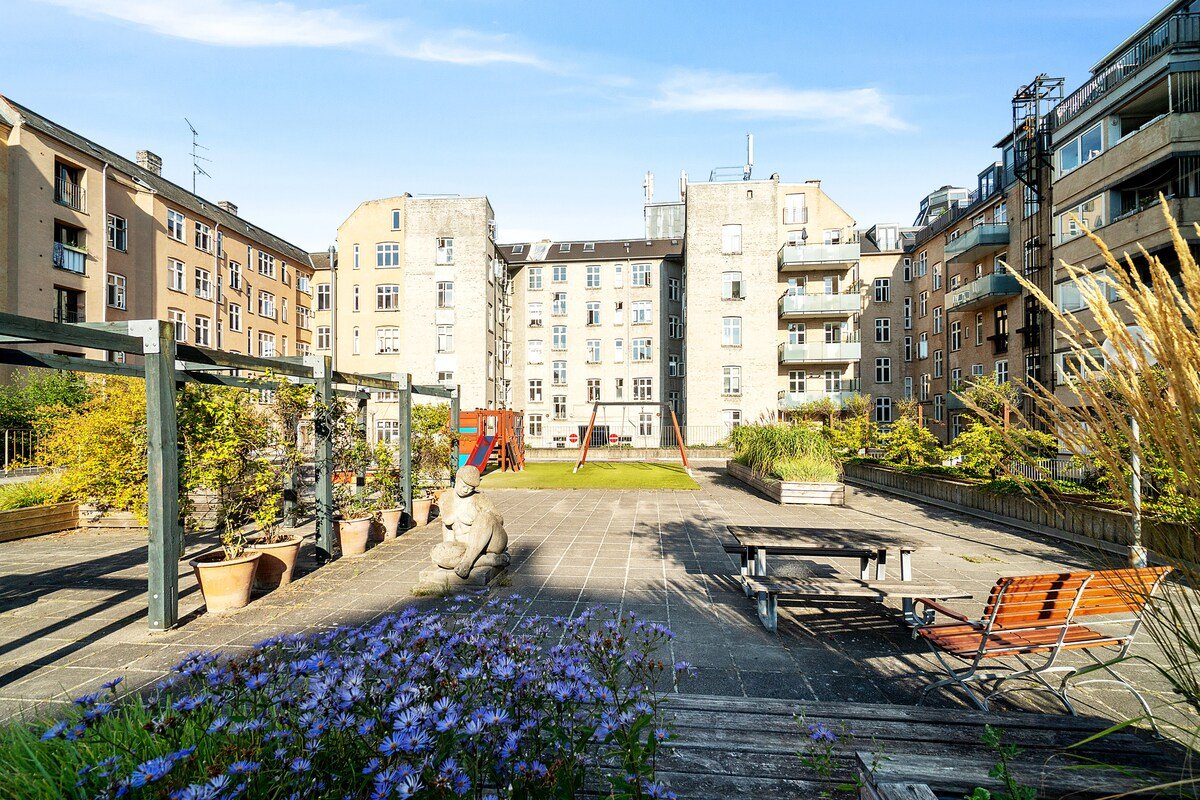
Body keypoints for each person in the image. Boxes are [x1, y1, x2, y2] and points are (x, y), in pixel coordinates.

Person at [432, 465, 509, 579]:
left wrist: (476, 518)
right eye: (464, 486)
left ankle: (466, 563)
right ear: (457, 479)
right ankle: (487, 560)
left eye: (471, 488)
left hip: (490, 543)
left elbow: (499, 520)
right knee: (436, 553)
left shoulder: (479, 497)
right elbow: (446, 528)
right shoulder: (446, 498)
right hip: (463, 545)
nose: (467, 490)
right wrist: (447, 549)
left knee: (485, 516)